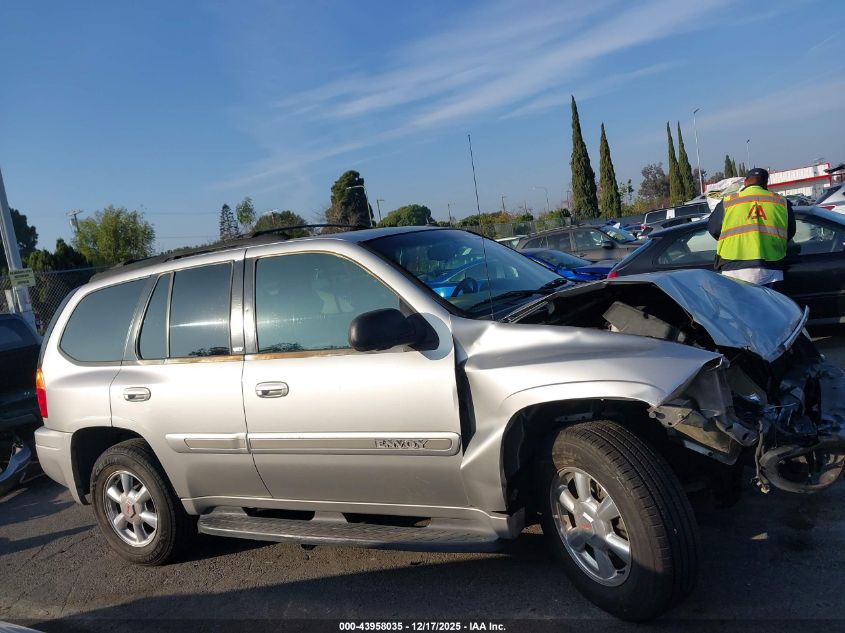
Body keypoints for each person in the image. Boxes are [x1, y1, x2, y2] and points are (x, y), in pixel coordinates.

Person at [707, 167, 795, 287]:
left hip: (733, 266)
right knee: (767, 305)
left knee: (738, 305)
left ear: (745, 182)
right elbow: (790, 231)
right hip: (769, 267)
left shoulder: (728, 202)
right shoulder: (780, 202)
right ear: (765, 183)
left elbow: (714, 229)